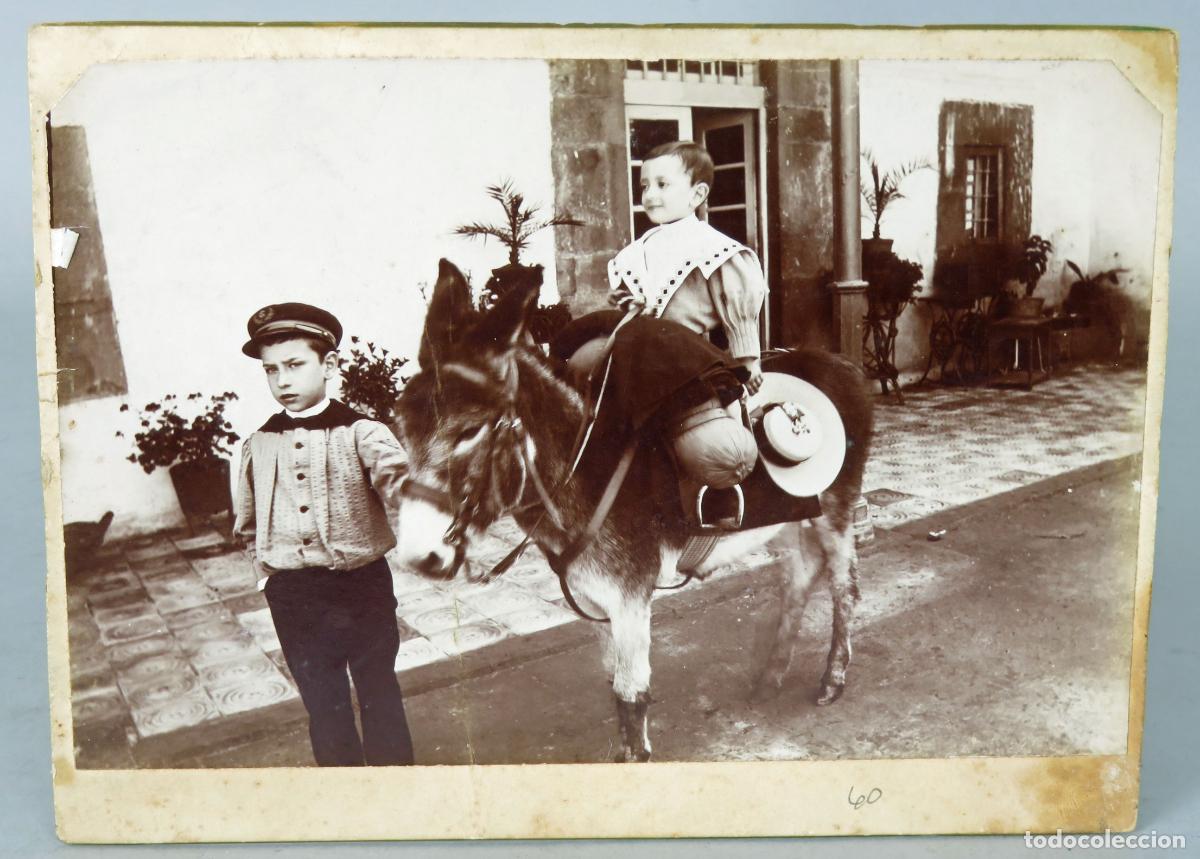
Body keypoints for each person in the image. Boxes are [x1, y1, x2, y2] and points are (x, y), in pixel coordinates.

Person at [233, 302, 414, 767]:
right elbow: (248, 523)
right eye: (271, 371)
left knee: (378, 690)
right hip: (294, 596)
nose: (283, 381)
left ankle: (398, 790)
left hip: (362, 586)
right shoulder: (259, 443)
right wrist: (265, 574)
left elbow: (399, 483)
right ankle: (346, 795)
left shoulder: (362, 432)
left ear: (329, 365)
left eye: (295, 365)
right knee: (323, 703)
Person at [608, 140, 767, 394]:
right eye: (645, 186)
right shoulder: (636, 252)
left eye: (662, 185)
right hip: (640, 360)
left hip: (691, 362)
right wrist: (627, 301)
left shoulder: (712, 249)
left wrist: (747, 361)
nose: (649, 195)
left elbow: (737, 312)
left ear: (697, 194)